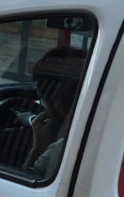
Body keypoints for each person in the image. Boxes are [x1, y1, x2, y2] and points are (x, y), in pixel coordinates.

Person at [23, 46, 88, 178]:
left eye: (42, 99)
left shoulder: (57, 152)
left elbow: (22, 188)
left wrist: (38, 147)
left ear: (58, 104)